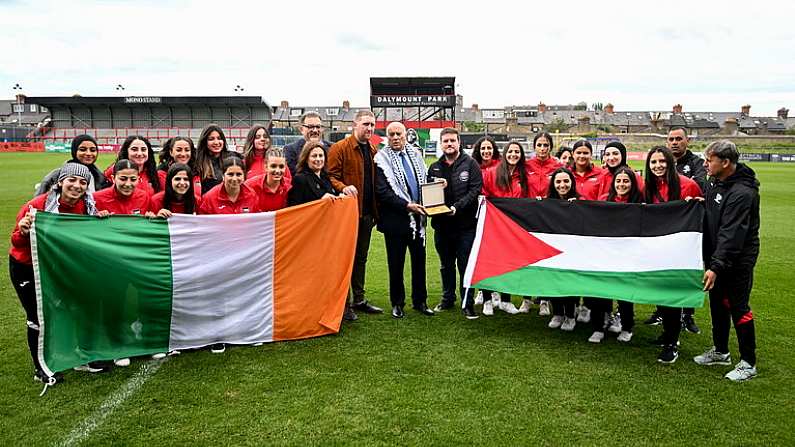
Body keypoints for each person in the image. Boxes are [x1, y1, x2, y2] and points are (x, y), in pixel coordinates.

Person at [10, 163, 108, 384]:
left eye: (83, 182)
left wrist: (100, 222)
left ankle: (83, 356)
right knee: (38, 315)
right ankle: (41, 367)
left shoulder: (87, 206)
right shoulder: (37, 205)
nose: (76, 186)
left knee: (80, 307)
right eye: (72, 180)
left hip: (64, 265)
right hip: (28, 265)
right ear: (60, 182)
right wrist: (24, 231)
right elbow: (16, 241)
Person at [694, 140, 760, 381]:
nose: (705, 164)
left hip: (737, 259)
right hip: (717, 257)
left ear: (725, 162)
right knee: (717, 304)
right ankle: (721, 351)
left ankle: (748, 362)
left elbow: (731, 234)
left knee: (738, 306)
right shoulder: (716, 181)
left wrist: (716, 266)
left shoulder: (742, 193)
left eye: (709, 160)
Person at [643, 146, 703, 364]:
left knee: (672, 296)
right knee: (661, 295)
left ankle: (672, 343)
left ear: (670, 162)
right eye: (653, 162)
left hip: (679, 253)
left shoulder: (688, 185)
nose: (658, 166)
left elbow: (700, 217)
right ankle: (666, 336)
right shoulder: (648, 188)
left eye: (662, 161)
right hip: (656, 250)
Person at [327, 110, 383, 321]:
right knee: (345, 259)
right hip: (347, 215)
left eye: (372, 125)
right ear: (355, 124)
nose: (369, 128)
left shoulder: (373, 149)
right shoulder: (340, 148)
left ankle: (359, 299)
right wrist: (343, 187)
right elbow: (330, 176)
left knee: (361, 258)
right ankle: (344, 303)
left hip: (367, 214)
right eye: (366, 124)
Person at [374, 122, 434, 318]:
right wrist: (406, 205)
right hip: (396, 221)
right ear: (387, 137)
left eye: (398, 134)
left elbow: (425, 181)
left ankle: (421, 302)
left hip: (419, 220)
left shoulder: (416, 155)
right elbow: (383, 192)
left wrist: (437, 186)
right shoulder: (381, 159)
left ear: (405, 135)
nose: (395, 137)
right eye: (391, 134)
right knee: (396, 264)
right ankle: (397, 303)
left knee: (419, 263)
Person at [427, 127, 483, 319]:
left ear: (459, 143)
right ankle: (447, 299)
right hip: (442, 226)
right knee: (446, 265)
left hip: (465, 226)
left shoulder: (471, 164)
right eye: (446, 141)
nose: (449, 144)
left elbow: (475, 190)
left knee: (465, 265)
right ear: (441, 144)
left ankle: (467, 303)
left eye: (452, 140)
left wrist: (457, 207)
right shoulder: (434, 166)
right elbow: (428, 193)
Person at [481, 141, 537, 316]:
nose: (513, 154)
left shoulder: (525, 176)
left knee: (511, 265)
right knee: (491, 263)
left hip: (517, 228)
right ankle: (488, 300)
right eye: (510, 151)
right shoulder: (492, 173)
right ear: (505, 154)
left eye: (517, 152)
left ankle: (506, 300)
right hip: (495, 226)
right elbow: (484, 194)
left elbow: (530, 199)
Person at [588, 166, 643, 344]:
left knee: (625, 293)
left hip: (628, 254)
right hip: (605, 253)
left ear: (632, 183)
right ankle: (599, 326)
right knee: (600, 291)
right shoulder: (604, 200)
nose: (622, 184)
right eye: (618, 181)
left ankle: (627, 327)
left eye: (626, 181)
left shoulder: (640, 202)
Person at [667, 126, 706, 334]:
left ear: (687, 140)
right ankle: (661, 311)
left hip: (688, 225)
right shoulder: (663, 160)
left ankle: (688, 315)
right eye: (671, 139)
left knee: (687, 267)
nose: (674, 142)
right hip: (666, 225)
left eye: (678, 139)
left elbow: (700, 186)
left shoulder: (696, 163)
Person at [544, 168, 580, 331]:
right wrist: (537, 205)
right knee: (552, 280)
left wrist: (577, 206)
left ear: (572, 183)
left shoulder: (580, 203)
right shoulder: (547, 203)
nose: (562, 185)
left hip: (572, 250)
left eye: (566, 181)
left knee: (569, 282)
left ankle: (570, 316)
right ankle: (557, 313)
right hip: (552, 249)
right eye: (558, 182)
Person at [36, 134, 107, 195]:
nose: (88, 153)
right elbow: (39, 201)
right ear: (74, 151)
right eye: (82, 149)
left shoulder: (100, 176)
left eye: (93, 150)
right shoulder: (57, 175)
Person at [194, 124, 243, 195]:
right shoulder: (198, 162)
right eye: (211, 139)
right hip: (208, 203)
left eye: (219, 138)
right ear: (204, 141)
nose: (216, 142)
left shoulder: (234, 157)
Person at [287, 141, 340, 206]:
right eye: (314, 156)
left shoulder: (327, 177)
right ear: (306, 159)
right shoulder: (300, 179)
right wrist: (320, 200)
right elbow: (295, 207)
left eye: (321, 156)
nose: (318, 159)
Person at [245, 147, 292, 212]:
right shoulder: (250, 185)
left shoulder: (290, 187)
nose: (278, 171)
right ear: (266, 167)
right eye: (273, 166)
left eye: (281, 166)